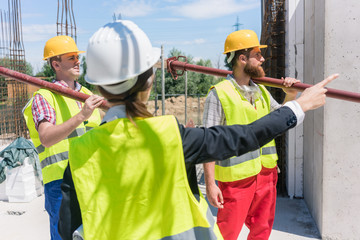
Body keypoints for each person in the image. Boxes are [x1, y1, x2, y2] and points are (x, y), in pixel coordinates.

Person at [58, 20, 338, 240]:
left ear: (98, 86)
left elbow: (67, 229)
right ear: (149, 82)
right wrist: (300, 106)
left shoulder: (81, 151)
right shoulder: (170, 135)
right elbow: (245, 136)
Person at [202, 29, 304, 240]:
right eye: (257, 54)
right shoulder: (219, 94)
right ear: (242, 58)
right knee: (226, 233)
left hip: (266, 175)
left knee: (262, 232)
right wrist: (211, 184)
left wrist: (291, 96)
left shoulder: (262, 91)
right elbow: (208, 143)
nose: (262, 59)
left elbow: (280, 121)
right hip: (236, 181)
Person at [22, 35, 103, 240]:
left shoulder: (86, 94)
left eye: (77, 56)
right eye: (71, 58)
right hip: (60, 183)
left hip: (91, 179)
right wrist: (81, 115)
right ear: (56, 64)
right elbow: (47, 137)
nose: (78, 61)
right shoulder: (45, 97)